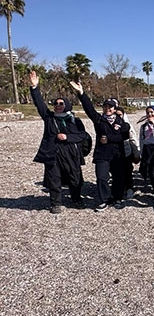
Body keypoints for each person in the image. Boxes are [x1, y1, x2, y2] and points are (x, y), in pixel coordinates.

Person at [30, 71, 87, 213]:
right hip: (53, 153)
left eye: (61, 103)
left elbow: (83, 135)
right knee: (54, 179)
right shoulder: (49, 118)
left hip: (70, 153)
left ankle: (76, 198)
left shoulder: (75, 120)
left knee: (75, 178)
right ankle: (55, 203)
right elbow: (40, 105)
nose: (57, 105)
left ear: (67, 105)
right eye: (55, 103)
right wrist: (35, 87)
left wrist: (68, 138)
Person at [71, 81, 130, 212]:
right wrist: (81, 93)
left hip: (117, 155)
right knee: (101, 177)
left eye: (110, 107)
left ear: (115, 109)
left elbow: (125, 136)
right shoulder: (99, 120)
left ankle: (118, 198)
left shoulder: (122, 121)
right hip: (102, 154)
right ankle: (105, 199)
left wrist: (109, 139)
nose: (107, 109)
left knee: (118, 178)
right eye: (105, 106)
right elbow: (89, 109)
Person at [115, 106, 140, 199]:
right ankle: (119, 190)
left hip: (126, 152)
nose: (118, 116)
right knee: (117, 173)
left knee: (128, 172)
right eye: (116, 114)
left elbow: (133, 140)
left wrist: (137, 154)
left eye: (120, 115)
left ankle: (129, 189)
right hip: (114, 153)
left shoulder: (127, 125)